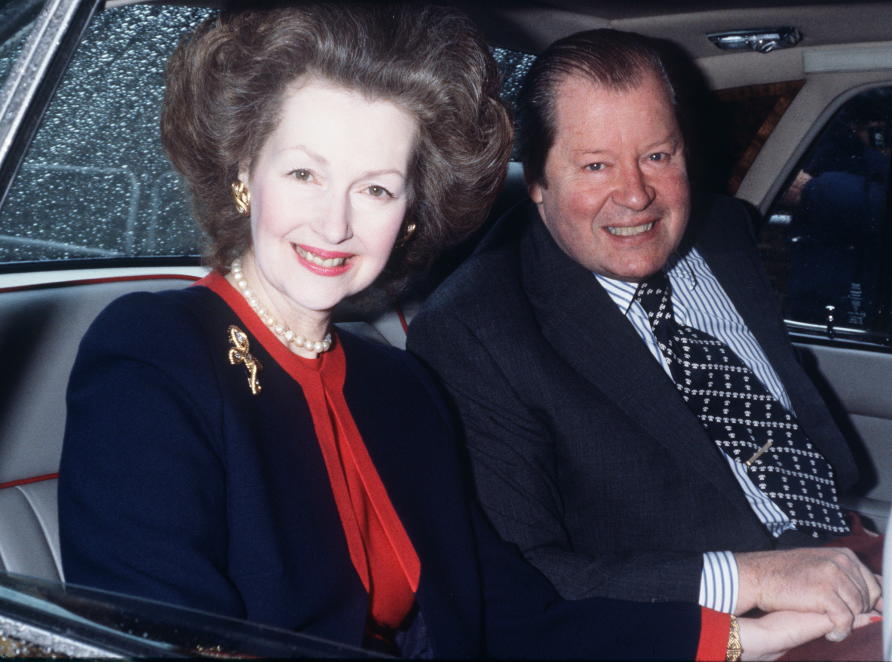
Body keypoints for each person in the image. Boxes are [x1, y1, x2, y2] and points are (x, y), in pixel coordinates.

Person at [54, 5, 849, 660]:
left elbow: (511, 616)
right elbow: (150, 639)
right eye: (304, 173)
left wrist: (743, 639)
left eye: (376, 187)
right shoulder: (158, 352)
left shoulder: (395, 388)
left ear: (409, 214)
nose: (335, 221)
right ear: (241, 171)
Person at [407, 27, 883, 657]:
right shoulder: (474, 331)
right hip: (696, 623)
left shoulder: (724, 233)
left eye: (658, 156)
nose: (635, 195)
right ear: (539, 181)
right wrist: (753, 576)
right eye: (596, 165)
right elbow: (519, 577)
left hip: (846, 547)